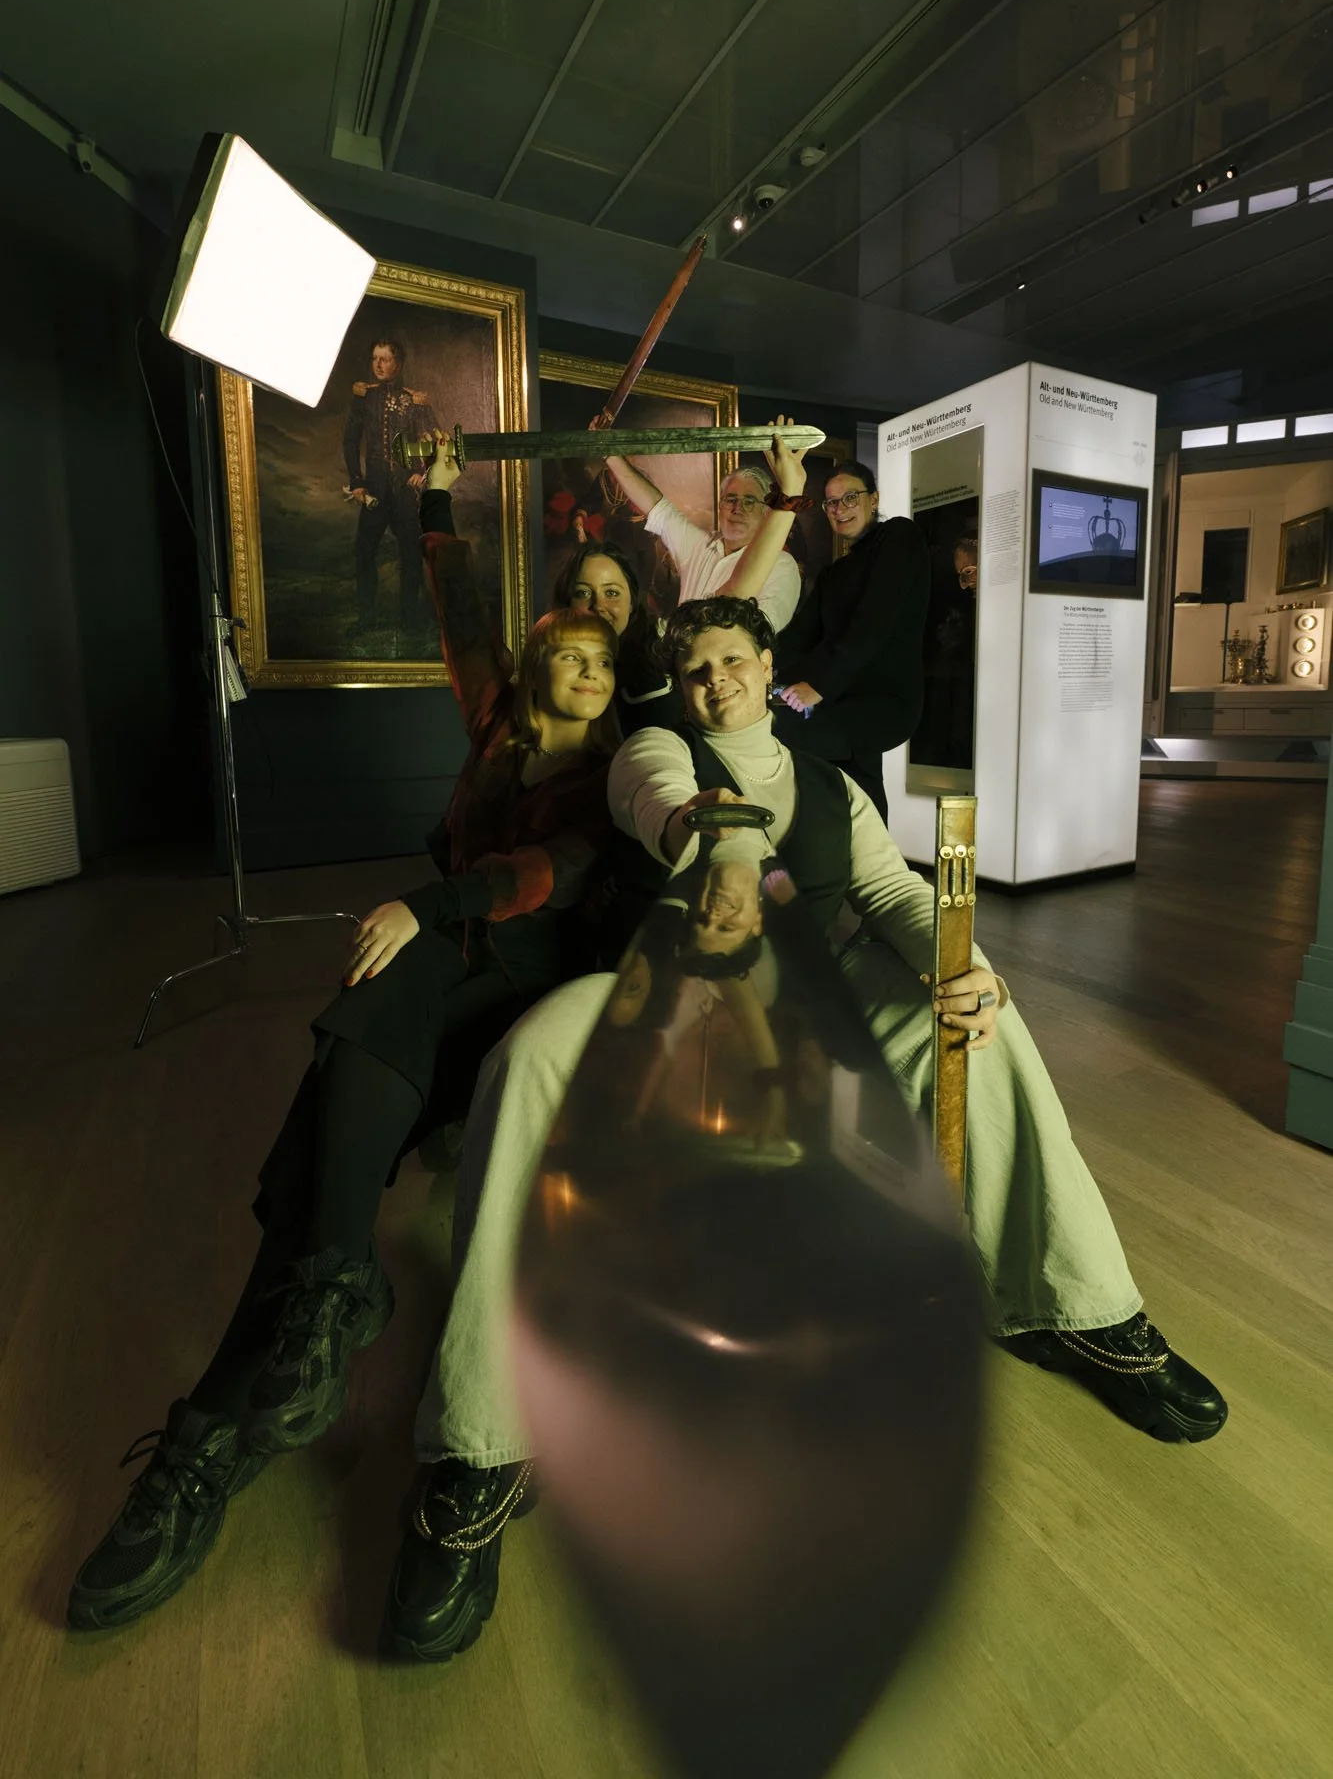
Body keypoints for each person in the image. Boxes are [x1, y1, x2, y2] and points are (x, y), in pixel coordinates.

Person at [380, 594, 1227, 1665]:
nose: (716, 682)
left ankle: (1073, 1306)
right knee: (532, 1055)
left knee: (982, 1031)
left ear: (767, 663)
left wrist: (964, 964)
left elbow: (890, 893)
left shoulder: (830, 784)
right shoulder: (652, 750)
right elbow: (664, 804)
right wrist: (726, 844)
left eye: (733, 661)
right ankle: (482, 1447)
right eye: (696, 669)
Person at [67, 440, 621, 1634]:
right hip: (439, 969)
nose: (589, 646)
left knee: (369, 1023)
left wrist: (430, 901)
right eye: (570, 632)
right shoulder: (497, 721)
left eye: (609, 632)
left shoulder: (628, 769)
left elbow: (548, 873)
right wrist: (434, 493)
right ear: (537, 657)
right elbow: (455, 600)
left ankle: (232, 1406)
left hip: (520, 986)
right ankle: (296, 1328)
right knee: (349, 1085)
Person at [773, 460, 930, 820]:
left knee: (783, 733)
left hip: (883, 700)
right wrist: (759, 664)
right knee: (859, 782)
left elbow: (873, 624)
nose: (839, 509)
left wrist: (819, 686)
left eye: (850, 498)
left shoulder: (899, 536)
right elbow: (798, 639)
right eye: (831, 502)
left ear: (874, 499)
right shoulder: (834, 573)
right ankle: (872, 853)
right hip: (842, 697)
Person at [602, 423, 809, 636]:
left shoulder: (782, 565)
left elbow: (757, 632)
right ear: (720, 506)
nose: (737, 508)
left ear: (766, 511)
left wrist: (791, 488)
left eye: (749, 501)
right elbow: (656, 506)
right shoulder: (700, 545)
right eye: (730, 499)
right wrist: (609, 453)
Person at [342, 337, 439, 630]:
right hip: (373, 490)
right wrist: (357, 481)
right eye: (375, 358)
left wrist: (421, 471)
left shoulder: (415, 400)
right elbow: (350, 441)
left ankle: (409, 619)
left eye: (385, 359)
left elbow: (433, 439)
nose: (378, 364)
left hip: (404, 491)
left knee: (411, 554)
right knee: (364, 552)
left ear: (398, 363)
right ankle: (366, 618)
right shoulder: (364, 397)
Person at [550, 538, 679, 737]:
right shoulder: (548, 666)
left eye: (611, 593)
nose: (598, 606)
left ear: (632, 603)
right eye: (583, 592)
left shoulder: (653, 677)